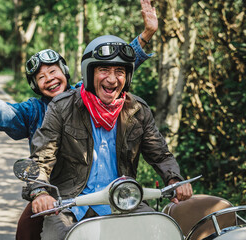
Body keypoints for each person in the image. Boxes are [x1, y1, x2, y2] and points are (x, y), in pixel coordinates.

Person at [0, 1, 158, 238]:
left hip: (103, 190)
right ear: (35, 85)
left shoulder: (86, 95)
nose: (49, 78)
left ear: (65, 72)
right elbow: (4, 112)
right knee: (26, 231)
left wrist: (146, 34)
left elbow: (115, 68)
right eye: (41, 76)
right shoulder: (33, 110)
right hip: (52, 191)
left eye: (53, 71)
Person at [27, 34, 193, 240]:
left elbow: (160, 155)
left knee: (160, 233)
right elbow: (42, 159)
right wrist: (40, 192)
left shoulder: (137, 110)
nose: (112, 79)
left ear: (127, 77)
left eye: (119, 71)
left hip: (124, 200)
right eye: (104, 70)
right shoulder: (61, 107)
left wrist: (175, 179)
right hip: (71, 205)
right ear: (89, 73)